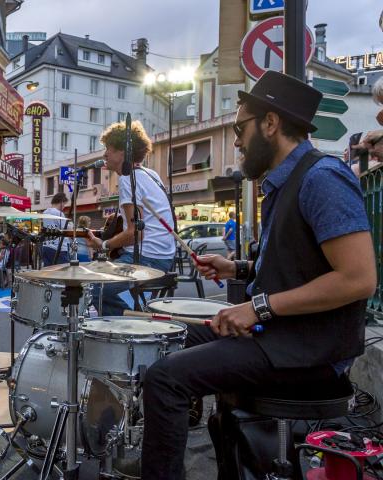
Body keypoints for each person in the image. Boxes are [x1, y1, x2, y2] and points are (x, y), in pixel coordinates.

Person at [140, 70, 376, 479]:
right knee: (166, 335)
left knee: (165, 379)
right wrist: (239, 268)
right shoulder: (284, 184)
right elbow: (300, 267)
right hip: (283, 336)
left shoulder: (322, 178)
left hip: (309, 350)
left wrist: (258, 308)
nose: (235, 139)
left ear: (271, 123)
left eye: (239, 127)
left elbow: (358, 279)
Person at [85, 120, 175, 316]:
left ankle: (129, 327)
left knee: (95, 288)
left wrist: (103, 245)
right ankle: (132, 320)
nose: (104, 154)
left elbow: (136, 234)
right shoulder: (150, 174)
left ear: (123, 152)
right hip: (165, 257)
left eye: (108, 148)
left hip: (148, 258)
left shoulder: (128, 179)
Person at [41, 192, 70, 266]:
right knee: (63, 272)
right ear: (61, 202)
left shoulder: (45, 212)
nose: (64, 206)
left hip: (46, 246)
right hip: (58, 247)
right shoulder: (59, 213)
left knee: (49, 272)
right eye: (64, 203)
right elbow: (66, 229)